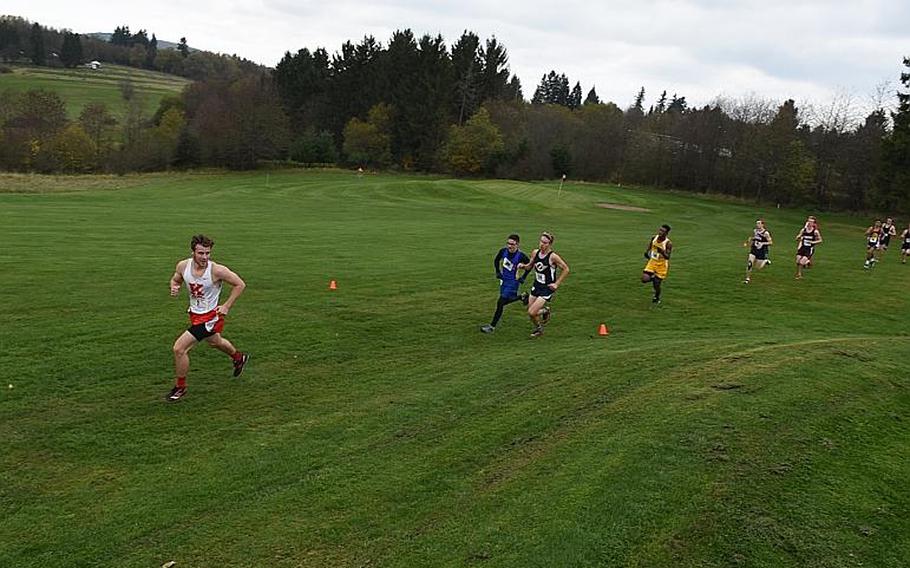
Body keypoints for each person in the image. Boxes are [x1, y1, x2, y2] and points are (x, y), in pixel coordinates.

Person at [166, 234, 249, 402]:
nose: (205, 257)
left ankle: (180, 387)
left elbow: (240, 284)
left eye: (208, 253)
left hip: (211, 317)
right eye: (201, 253)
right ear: (193, 253)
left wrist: (226, 306)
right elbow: (176, 280)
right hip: (195, 314)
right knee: (215, 342)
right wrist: (174, 287)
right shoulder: (183, 266)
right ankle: (239, 358)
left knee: (179, 349)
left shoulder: (217, 270)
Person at [517, 231, 569, 338]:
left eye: (545, 242)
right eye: (541, 241)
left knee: (532, 312)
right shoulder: (535, 252)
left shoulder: (553, 257)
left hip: (547, 288)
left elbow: (566, 269)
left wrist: (556, 284)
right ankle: (542, 320)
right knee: (531, 312)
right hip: (537, 285)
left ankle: (541, 325)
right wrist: (522, 266)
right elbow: (530, 266)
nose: (542, 244)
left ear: (550, 244)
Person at [480, 234, 531, 333]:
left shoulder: (521, 256)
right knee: (504, 302)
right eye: (508, 243)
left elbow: (529, 266)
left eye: (512, 244)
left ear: (517, 245)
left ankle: (492, 326)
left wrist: (523, 277)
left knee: (500, 302)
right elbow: (496, 260)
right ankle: (522, 297)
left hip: (513, 282)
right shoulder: (503, 251)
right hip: (504, 280)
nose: (509, 246)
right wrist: (498, 272)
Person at [642, 224, 672, 304]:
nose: (660, 232)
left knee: (656, 285)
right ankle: (654, 278)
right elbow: (651, 244)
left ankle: (656, 297)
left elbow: (667, 257)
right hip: (653, 262)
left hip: (661, 265)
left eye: (663, 231)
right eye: (660, 230)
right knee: (644, 279)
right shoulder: (654, 238)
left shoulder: (668, 243)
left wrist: (662, 251)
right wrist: (647, 252)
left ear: (666, 233)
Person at [743, 219, 773, 284]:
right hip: (754, 249)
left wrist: (762, 243)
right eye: (757, 223)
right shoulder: (755, 231)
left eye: (759, 223)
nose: (757, 225)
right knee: (750, 263)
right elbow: (753, 237)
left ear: (762, 224)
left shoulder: (766, 233)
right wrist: (747, 242)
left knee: (758, 267)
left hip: (762, 251)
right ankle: (747, 278)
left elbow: (770, 242)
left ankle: (765, 261)